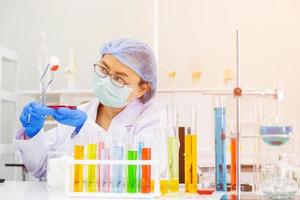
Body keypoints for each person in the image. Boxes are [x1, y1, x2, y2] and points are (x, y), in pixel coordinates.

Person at [15, 38, 167, 178]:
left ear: (142, 88)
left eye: (118, 78)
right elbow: (41, 168)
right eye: (103, 70)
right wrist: (34, 134)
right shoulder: (83, 111)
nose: (106, 81)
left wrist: (85, 127)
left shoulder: (151, 117)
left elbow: (144, 173)